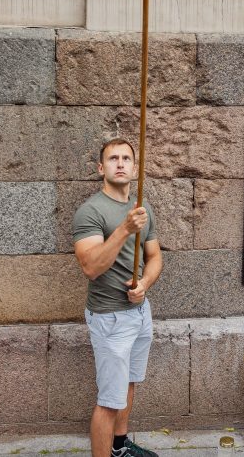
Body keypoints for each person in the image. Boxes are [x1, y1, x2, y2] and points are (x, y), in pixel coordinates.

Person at [73, 138, 164, 457]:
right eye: (113, 158)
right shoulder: (90, 211)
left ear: (135, 168)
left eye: (127, 158)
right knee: (109, 400)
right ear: (102, 168)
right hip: (110, 317)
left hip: (140, 312)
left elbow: (154, 257)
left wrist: (146, 283)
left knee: (128, 383)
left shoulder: (142, 206)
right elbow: (91, 267)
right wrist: (124, 229)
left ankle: (119, 446)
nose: (121, 163)